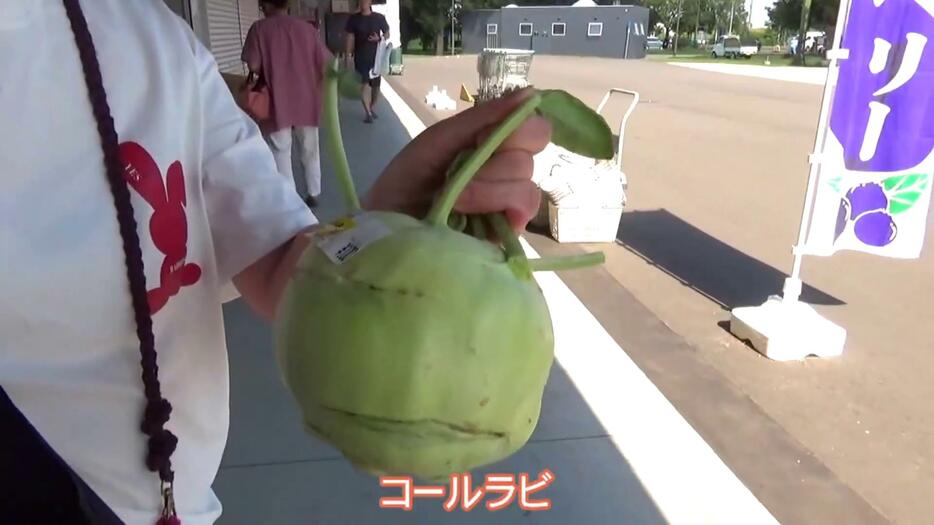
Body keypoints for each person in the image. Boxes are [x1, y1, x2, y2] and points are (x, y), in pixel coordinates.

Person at [0, 1, 549, 524]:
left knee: (286, 154)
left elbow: (280, 262)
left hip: (174, 508)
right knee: (303, 155)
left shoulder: (153, 41)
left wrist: (388, 243)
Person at [242, 0, 330, 208]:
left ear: (266, 5)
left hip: (276, 100)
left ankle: (290, 200)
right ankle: (314, 192)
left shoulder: (259, 29)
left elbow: (253, 64)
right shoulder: (307, 30)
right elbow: (326, 62)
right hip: (307, 98)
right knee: (310, 147)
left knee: (280, 151)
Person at [344, 0, 390, 123]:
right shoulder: (353, 19)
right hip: (361, 57)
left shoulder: (379, 18)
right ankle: (368, 113)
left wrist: (379, 38)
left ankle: (371, 107)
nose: (363, 2)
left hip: (376, 59)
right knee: (364, 85)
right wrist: (348, 55)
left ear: (370, 2)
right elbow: (350, 37)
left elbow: (387, 33)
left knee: (376, 88)